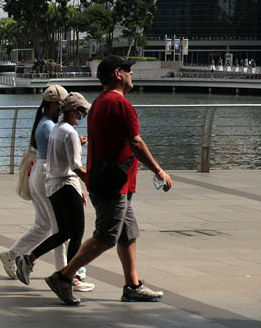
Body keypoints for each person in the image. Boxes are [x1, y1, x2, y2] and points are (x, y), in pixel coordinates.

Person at [47, 56, 171, 306]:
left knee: (128, 233)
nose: (131, 74)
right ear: (117, 73)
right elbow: (135, 142)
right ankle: (64, 276)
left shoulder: (100, 104)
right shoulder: (119, 104)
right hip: (112, 183)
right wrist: (158, 170)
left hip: (111, 180)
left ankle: (132, 286)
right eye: (128, 70)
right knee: (106, 236)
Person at [29, 92, 92, 301]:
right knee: (77, 234)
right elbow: (76, 165)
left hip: (53, 185)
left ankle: (30, 258)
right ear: (74, 111)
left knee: (64, 232)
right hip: (66, 185)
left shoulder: (56, 128)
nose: (83, 114)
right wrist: (90, 183)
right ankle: (67, 278)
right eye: (82, 111)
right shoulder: (70, 132)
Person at [1, 84, 65, 284]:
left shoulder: (43, 122)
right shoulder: (48, 126)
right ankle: (65, 271)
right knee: (60, 227)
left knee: (44, 224)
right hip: (46, 174)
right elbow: (60, 151)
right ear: (56, 105)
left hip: (38, 172)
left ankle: (12, 254)